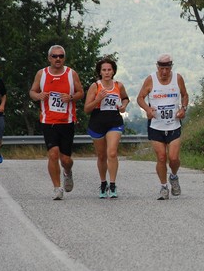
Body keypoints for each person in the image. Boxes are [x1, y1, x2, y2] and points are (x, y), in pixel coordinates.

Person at [29, 45, 84, 200]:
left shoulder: (71, 73)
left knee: (66, 159)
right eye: (54, 56)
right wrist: (38, 96)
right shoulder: (42, 74)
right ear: (49, 58)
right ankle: (56, 188)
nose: (57, 58)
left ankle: (67, 172)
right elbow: (32, 91)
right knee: (53, 154)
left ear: (64, 58)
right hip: (48, 121)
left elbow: (81, 92)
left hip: (67, 121)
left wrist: (71, 98)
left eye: (60, 56)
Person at [137, 53, 189, 200]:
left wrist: (183, 109)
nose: (164, 72)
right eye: (161, 69)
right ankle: (164, 186)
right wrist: (148, 110)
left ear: (171, 67)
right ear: (157, 67)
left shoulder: (178, 78)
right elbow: (140, 98)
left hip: (173, 124)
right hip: (156, 125)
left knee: (173, 158)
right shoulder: (150, 79)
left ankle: (173, 176)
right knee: (161, 157)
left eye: (167, 68)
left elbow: (185, 95)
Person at [84, 58, 130, 199]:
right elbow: (86, 109)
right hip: (97, 122)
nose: (107, 72)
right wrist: (98, 99)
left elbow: (125, 98)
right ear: (100, 72)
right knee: (102, 155)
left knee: (112, 153)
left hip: (114, 122)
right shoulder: (95, 86)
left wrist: (123, 106)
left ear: (113, 71)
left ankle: (113, 183)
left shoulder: (118, 85)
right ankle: (103, 183)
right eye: (104, 70)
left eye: (109, 69)